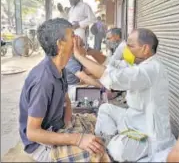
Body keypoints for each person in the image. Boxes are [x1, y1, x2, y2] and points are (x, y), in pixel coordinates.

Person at [73, 28, 176, 162]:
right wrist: (87, 52)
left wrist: (80, 57)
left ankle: (113, 143)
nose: (126, 49)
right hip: (133, 120)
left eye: (130, 46)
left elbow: (114, 78)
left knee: (118, 149)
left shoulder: (151, 69)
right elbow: (110, 64)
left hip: (149, 134)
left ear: (145, 49)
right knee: (105, 109)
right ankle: (110, 141)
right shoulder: (139, 64)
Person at [19, 18, 105, 162]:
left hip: (58, 128)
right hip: (41, 146)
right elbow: (32, 133)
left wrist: (68, 125)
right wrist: (76, 138)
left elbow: (65, 99)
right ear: (60, 44)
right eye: (72, 35)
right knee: (99, 151)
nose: (77, 39)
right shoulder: (43, 80)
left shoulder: (59, 67)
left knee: (99, 125)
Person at [66, 37, 102, 102]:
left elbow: (88, 70)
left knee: (99, 82)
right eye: (83, 45)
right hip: (70, 90)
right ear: (76, 47)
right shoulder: (70, 60)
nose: (85, 48)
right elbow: (85, 77)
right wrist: (102, 87)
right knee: (98, 91)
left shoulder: (76, 57)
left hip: (77, 85)